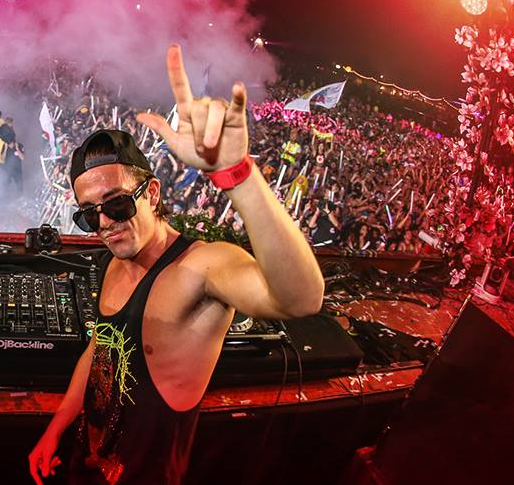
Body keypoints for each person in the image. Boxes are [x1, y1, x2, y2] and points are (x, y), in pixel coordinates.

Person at [28, 45, 324, 485]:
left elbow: (301, 300)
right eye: (89, 214)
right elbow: (99, 352)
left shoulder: (202, 266)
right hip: (85, 465)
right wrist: (55, 429)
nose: (104, 223)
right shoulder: (112, 263)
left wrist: (238, 176)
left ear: (151, 194)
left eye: (117, 204)